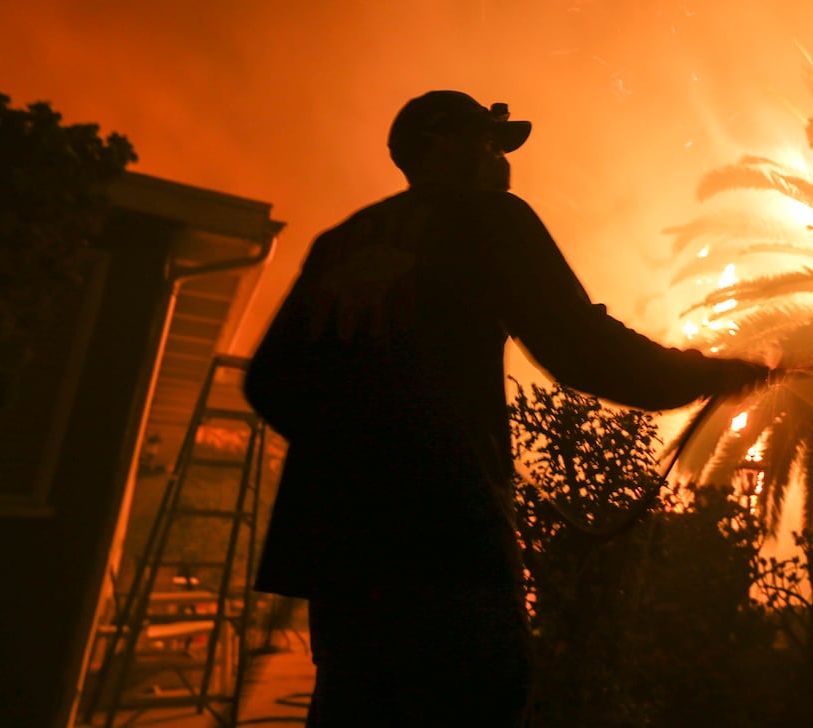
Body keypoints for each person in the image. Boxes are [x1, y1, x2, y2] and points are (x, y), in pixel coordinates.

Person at [243, 90, 774, 726]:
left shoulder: (341, 242)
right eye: (488, 142)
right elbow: (582, 349)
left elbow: (270, 383)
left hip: (345, 557)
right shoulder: (488, 221)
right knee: (478, 695)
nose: (501, 159)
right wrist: (710, 373)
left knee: (357, 708)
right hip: (448, 535)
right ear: (440, 143)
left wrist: (358, 444)